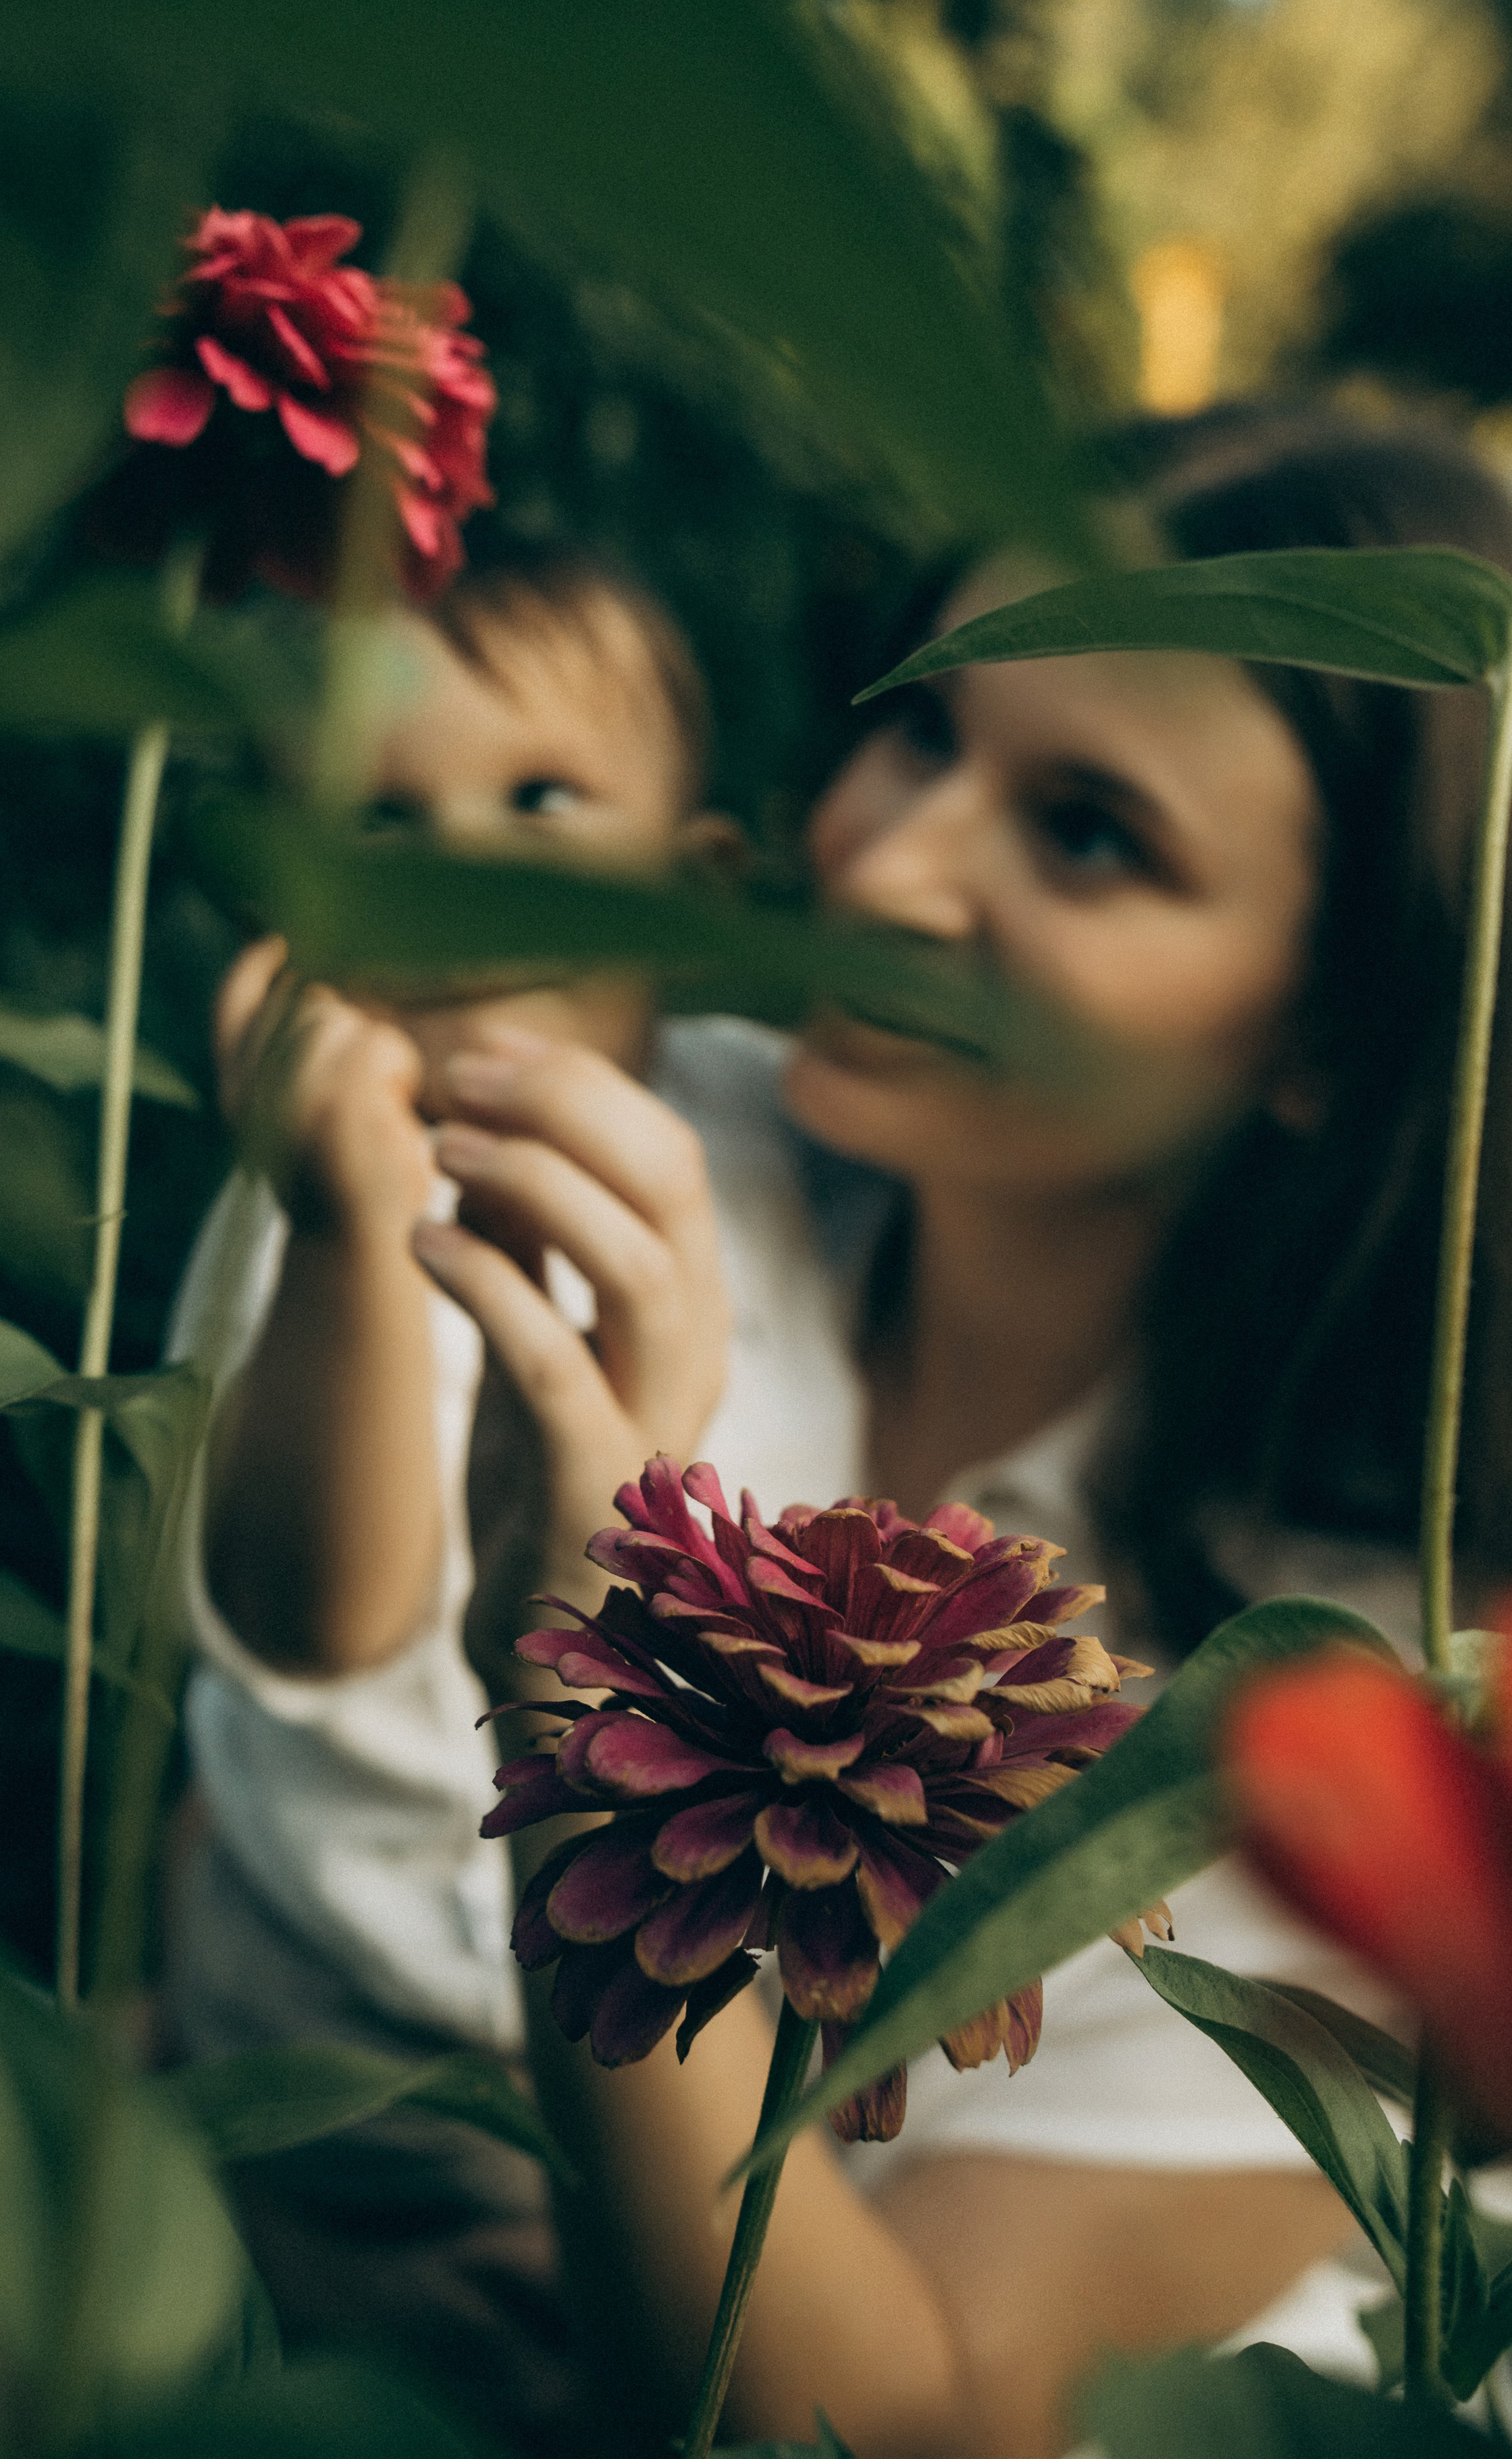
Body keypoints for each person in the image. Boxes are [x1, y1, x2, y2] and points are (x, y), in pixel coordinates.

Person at [407, 405, 1512, 2458]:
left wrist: (574, 1696)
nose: (882, 866)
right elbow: (247, 1750)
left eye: (1087, 831)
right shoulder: (653, 1145)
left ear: (1337, 1030)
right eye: (926, 731)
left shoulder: (1355, 1727)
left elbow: (894, 2421)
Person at [161, 552, 862, 2445]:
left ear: (702, 884)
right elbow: (321, 1616)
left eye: (539, 800)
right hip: (361, 2030)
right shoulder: (318, 1195)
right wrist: (341, 1225)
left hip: (681, 2024)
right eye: (384, 821)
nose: (455, 862)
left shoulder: (770, 1131)